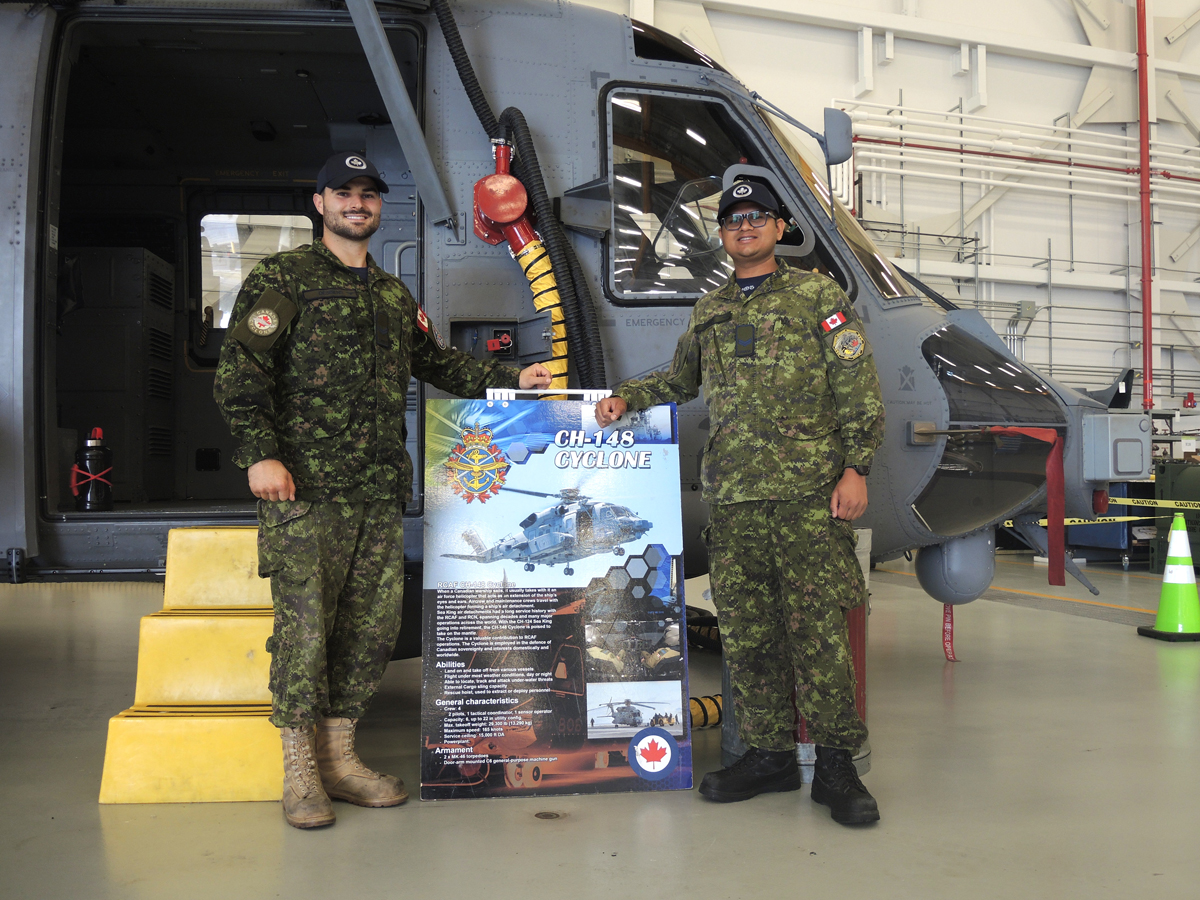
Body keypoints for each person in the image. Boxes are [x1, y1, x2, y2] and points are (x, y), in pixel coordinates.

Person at [215, 152, 552, 829]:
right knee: (307, 631)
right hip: (303, 491)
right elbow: (240, 371)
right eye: (343, 192)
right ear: (320, 205)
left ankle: (340, 759)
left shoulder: (392, 296)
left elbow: (437, 364)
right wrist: (260, 455)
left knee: (368, 632)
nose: (356, 204)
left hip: (375, 490)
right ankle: (301, 771)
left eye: (367, 194)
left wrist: (515, 379)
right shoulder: (284, 279)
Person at [595, 180, 884, 825]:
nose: (744, 227)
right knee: (748, 634)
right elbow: (681, 378)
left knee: (818, 632)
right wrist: (627, 397)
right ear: (722, 236)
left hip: (808, 496)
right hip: (735, 498)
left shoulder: (817, 296)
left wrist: (856, 468)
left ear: (780, 228)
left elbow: (857, 388)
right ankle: (770, 754)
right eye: (732, 221)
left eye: (756, 218)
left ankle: (836, 762)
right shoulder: (712, 308)